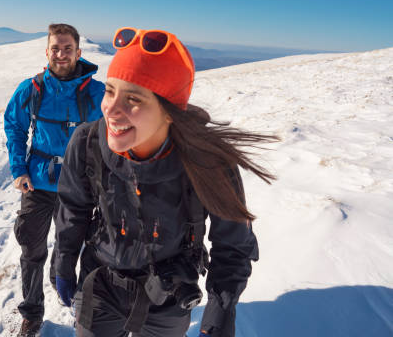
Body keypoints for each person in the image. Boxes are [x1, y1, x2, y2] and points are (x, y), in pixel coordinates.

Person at [54, 27, 277, 336]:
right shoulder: (87, 142)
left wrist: (220, 311)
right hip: (101, 284)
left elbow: (232, 245)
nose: (111, 110)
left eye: (133, 99)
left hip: (170, 295)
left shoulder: (207, 162)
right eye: (109, 91)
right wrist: (63, 261)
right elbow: (73, 207)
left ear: (171, 112)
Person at [4, 23, 105, 336]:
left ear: (78, 52)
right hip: (37, 183)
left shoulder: (96, 92)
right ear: (47, 52)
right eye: (56, 48)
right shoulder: (32, 89)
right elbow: (15, 128)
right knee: (31, 249)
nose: (61, 54)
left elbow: (112, 135)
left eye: (67, 48)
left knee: (75, 249)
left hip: (78, 186)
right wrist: (19, 170)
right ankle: (32, 313)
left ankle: (79, 306)